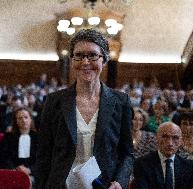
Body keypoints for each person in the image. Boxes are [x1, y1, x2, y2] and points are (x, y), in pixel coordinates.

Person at [35, 29, 134, 189]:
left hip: (104, 185)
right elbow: (43, 156)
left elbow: (127, 153)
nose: (85, 62)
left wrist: (120, 182)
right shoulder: (54, 101)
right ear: (72, 60)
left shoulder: (121, 102)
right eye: (79, 56)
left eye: (93, 55)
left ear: (104, 59)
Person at [133, 122, 193, 189]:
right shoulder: (142, 164)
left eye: (175, 138)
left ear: (180, 141)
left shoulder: (188, 166)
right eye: (165, 137)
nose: (170, 143)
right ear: (157, 138)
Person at [0, 107, 37, 183]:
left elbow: (42, 160)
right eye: (20, 118)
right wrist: (15, 168)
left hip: (33, 174)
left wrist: (30, 170)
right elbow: (3, 157)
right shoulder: (8, 137)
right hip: (12, 171)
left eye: (26, 117)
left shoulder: (39, 137)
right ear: (16, 121)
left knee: (27, 182)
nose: (23, 120)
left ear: (31, 119)